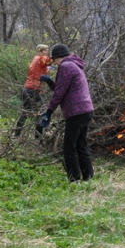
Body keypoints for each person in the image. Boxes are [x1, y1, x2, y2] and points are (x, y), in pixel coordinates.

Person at [38, 44, 94, 182]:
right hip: (86, 109)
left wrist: (49, 112)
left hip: (76, 111)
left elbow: (59, 93)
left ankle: (74, 179)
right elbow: (61, 87)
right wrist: (50, 81)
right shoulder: (74, 65)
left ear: (58, 58)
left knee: (69, 147)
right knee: (80, 144)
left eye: (54, 60)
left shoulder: (66, 66)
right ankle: (88, 176)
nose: (54, 63)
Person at [15, 44, 51, 136]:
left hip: (28, 88)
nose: (47, 52)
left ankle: (16, 134)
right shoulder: (41, 59)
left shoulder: (36, 59)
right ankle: (38, 136)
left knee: (26, 111)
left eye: (47, 50)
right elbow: (50, 61)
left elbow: (45, 67)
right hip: (33, 89)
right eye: (45, 50)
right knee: (42, 110)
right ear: (40, 51)